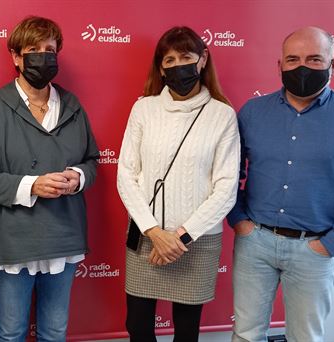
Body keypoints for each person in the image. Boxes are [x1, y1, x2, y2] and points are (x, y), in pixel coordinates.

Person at [227, 26, 334, 342]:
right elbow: (229, 176)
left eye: (314, 59)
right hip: (254, 242)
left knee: (306, 337)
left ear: (333, 64)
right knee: (246, 334)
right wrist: (239, 221)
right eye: (293, 59)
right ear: (280, 65)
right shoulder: (252, 113)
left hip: (314, 248)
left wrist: (332, 244)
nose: (302, 67)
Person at [0, 16, 99, 342]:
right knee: (11, 333)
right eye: (33, 49)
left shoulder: (72, 106)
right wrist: (30, 186)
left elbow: (92, 162)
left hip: (63, 238)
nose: (43, 56)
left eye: (49, 49)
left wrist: (77, 178)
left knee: (54, 332)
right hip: (10, 241)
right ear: (16, 56)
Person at [117, 26, 240, 342]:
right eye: (168, 60)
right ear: (160, 67)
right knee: (139, 328)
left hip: (195, 242)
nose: (177, 65)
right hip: (147, 236)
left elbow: (225, 188)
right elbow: (126, 175)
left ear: (202, 60)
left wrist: (180, 237)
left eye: (185, 57)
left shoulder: (222, 115)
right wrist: (155, 233)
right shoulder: (143, 108)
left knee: (187, 332)